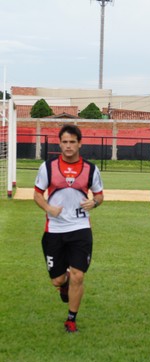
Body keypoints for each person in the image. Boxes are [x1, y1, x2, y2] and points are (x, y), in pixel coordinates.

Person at [34, 124, 104, 333]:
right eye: (65, 142)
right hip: (54, 229)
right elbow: (37, 194)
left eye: (72, 142)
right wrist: (48, 208)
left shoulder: (91, 169)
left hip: (80, 228)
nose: (68, 146)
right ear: (60, 143)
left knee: (78, 275)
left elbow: (99, 195)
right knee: (57, 279)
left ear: (79, 144)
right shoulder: (48, 167)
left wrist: (95, 203)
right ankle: (63, 284)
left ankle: (71, 319)